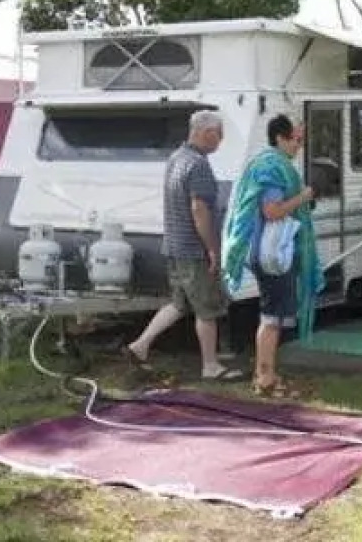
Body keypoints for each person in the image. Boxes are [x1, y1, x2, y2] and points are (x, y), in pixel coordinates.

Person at [123, 110, 242, 381]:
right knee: (207, 308)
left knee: (178, 303)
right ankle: (211, 366)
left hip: (173, 245)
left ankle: (140, 346)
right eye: (219, 134)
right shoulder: (198, 165)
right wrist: (212, 248)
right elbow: (199, 209)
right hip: (193, 249)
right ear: (206, 132)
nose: (220, 141)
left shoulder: (175, 158)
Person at [221, 114, 324, 398]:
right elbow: (272, 211)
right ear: (280, 138)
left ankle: (265, 374)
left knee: (273, 315)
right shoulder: (273, 168)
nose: (299, 146)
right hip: (271, 253)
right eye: (296, 140)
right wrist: (303, 197)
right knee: (271, 317)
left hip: (263, 251)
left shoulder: (263, 163)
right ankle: (265, 378)